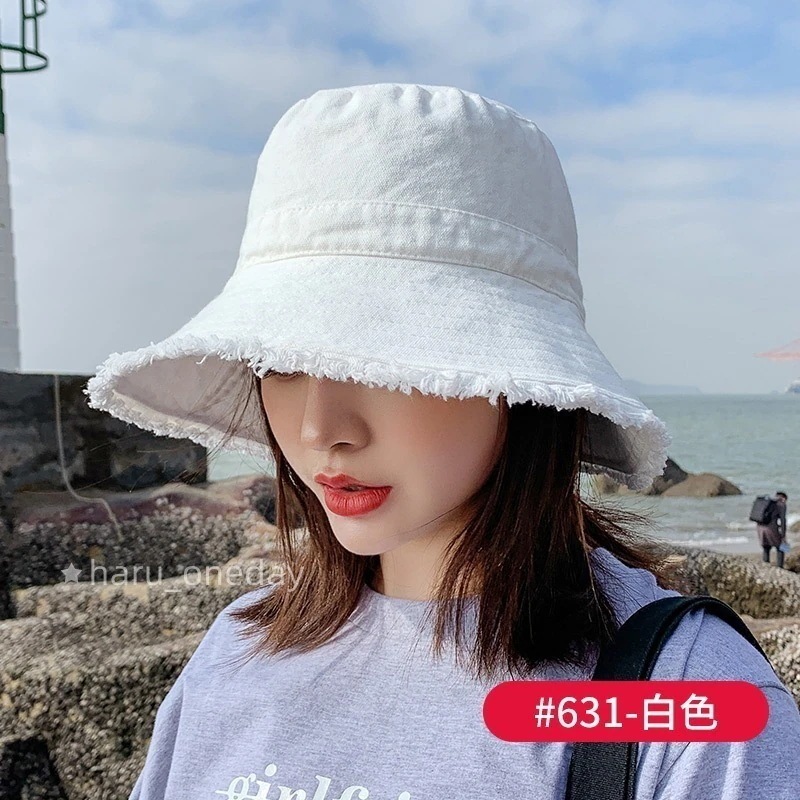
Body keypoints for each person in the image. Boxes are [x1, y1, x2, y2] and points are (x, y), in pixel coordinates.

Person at [86, 84, 800, 799]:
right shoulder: (238, 650)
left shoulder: (686, 702)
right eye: (279, 363)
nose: (319, 430)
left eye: (383, 361)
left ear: (518, 384)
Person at [758, 491, 789, 568]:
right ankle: (780, 568)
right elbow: (783, 521)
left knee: (766, 547)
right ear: (784, 498)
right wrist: (783, 536)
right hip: (771, 528)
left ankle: (765, 566)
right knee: (780, 547)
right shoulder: (781, 504)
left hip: (760, 527)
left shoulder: (766, 503)